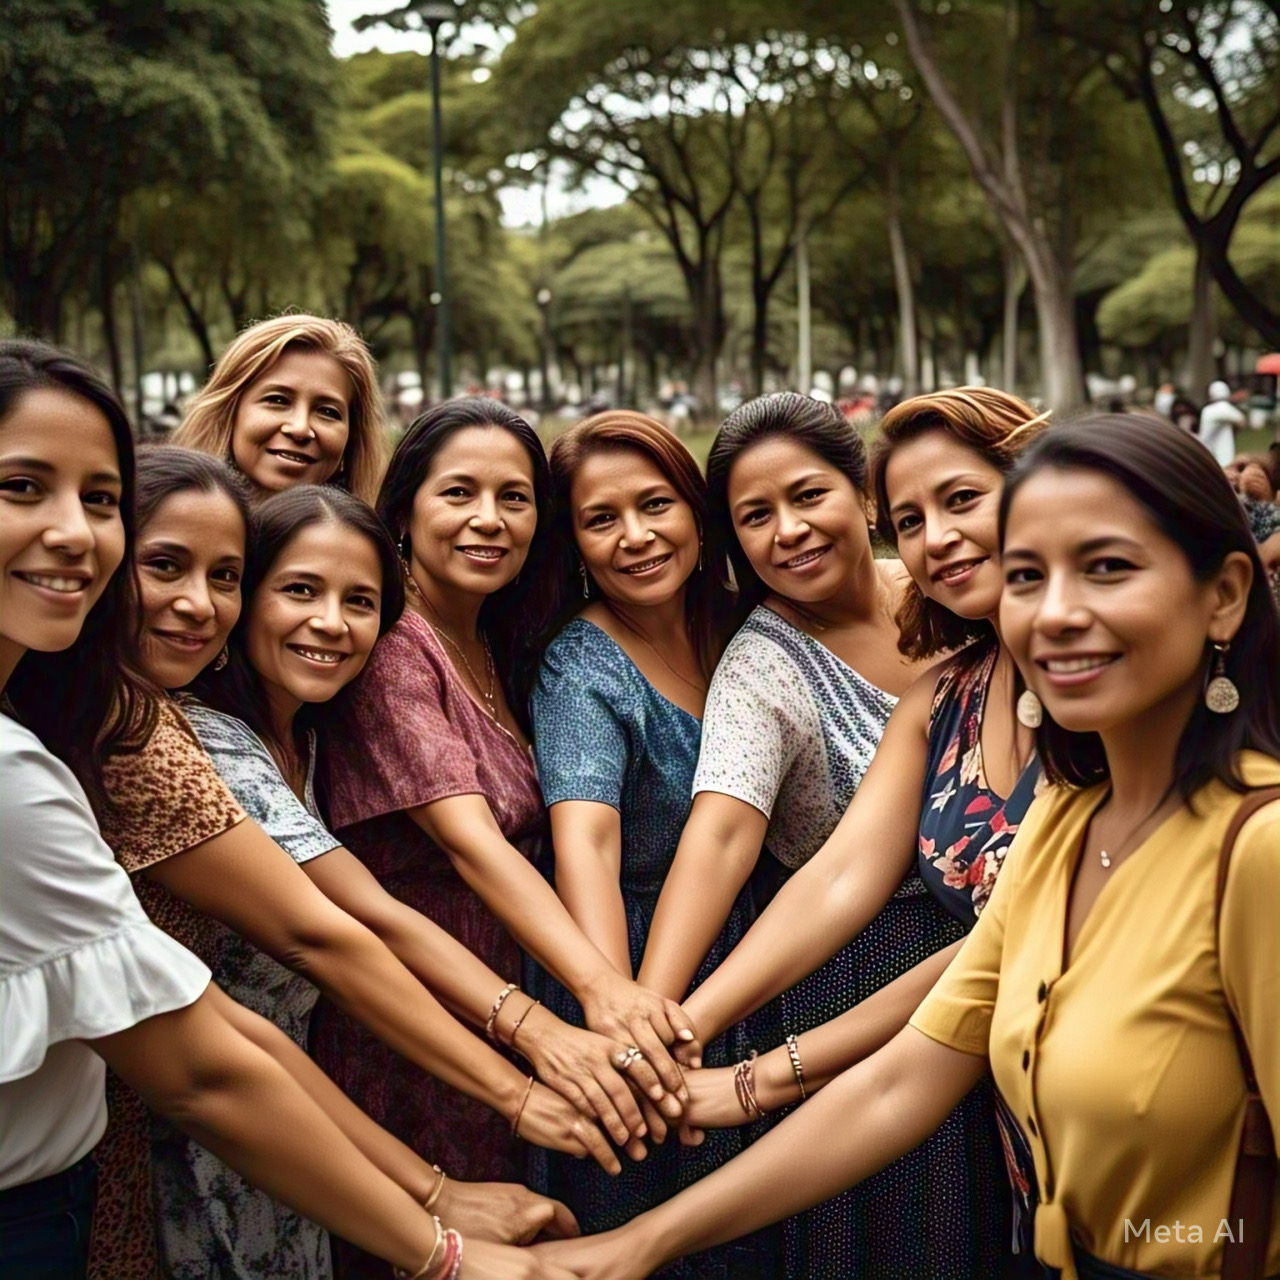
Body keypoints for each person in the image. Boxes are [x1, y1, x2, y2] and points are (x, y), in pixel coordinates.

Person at [532, 411, 1280, 1280]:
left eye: (1106, 569)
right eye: (1029, 578)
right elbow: (896, 1041)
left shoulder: (1250, 850)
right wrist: (638, 1225)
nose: (1056, 614)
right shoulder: (1055, 820)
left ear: (1224, 593)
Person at [0, 338, 575, 1280]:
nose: (196, 604)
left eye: (94, 500)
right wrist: (458, 1199)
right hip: (126, 1164)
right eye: (24, 486)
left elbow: (228, 1020)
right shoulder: (126, 735)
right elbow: (314, 948)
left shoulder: (251, 718)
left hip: (236, 1120)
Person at [118, 460, 596, 1278]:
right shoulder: (197, 736)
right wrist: (522, 1071)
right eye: (298, 590)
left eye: (360, 602)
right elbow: (344, 928)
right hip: (196, 1134)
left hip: (294, 1121)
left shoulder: (305, 736)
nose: (332, 623)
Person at [662, 388, 1048, 1278]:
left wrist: (755, 1079)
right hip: (940, 1041)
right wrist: (677, 1022)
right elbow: (829, 874)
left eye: (960, 502)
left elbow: (1005, 937)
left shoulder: (1084, 678)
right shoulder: (940, 695)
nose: (940, 538)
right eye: (915, 518)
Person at [313, 399, 696, 1278]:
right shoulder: (396, 645)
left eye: (514, 498)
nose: (490, 519)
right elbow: (472, 844)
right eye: (460, 493)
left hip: (505, 993)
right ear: (404, 508)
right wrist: (604, 990)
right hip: (419, 1014)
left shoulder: (493, 639)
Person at [527, 412, 779, 1276]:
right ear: (576, 543)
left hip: (756, 963)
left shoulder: (741, 625)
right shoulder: (584, 665)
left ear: (697, 513)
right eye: (602, 519)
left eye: (655, 505)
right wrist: (622, 1022)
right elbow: (586, 843)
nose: (634, 537)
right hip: (638, 970)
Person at [174, 314, 389, 505]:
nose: (300, 428)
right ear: (229, 411)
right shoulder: (154, 526)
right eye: (278, 400)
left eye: (327, 412)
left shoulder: (372, 547)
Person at [1199, 380, 1246, 467]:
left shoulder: (1207, 410)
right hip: (1218, 454)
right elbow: (1241, 420)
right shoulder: (1223, 408)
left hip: (1206, 450)